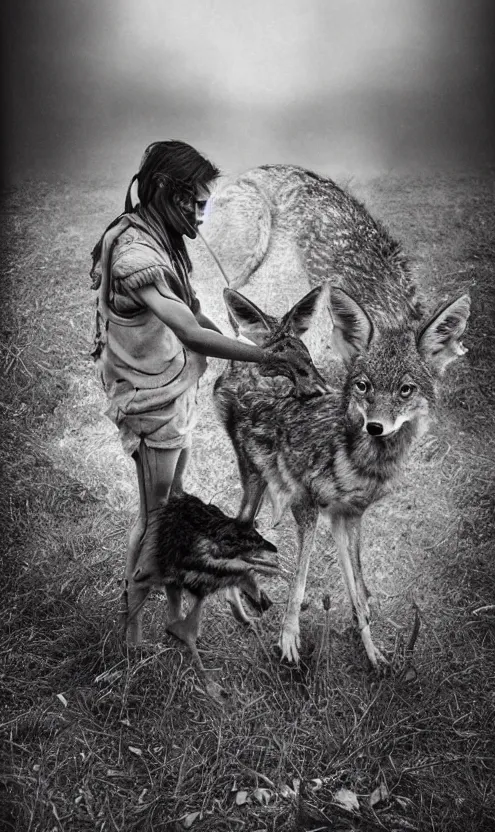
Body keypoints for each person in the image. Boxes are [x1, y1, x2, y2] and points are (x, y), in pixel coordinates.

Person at [90, 140, 323, 645]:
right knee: (155, 519)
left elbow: (195, 315)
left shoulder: (159, 237)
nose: (201, 213)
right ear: (159, 190)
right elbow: (192, 334)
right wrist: (265, 358)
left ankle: (176, 615)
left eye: (205, 202)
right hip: (149, 401)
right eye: (192, 202)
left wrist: (245, 342)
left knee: (172, 509)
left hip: (170, 393)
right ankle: (129, 637)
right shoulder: (135, 253)